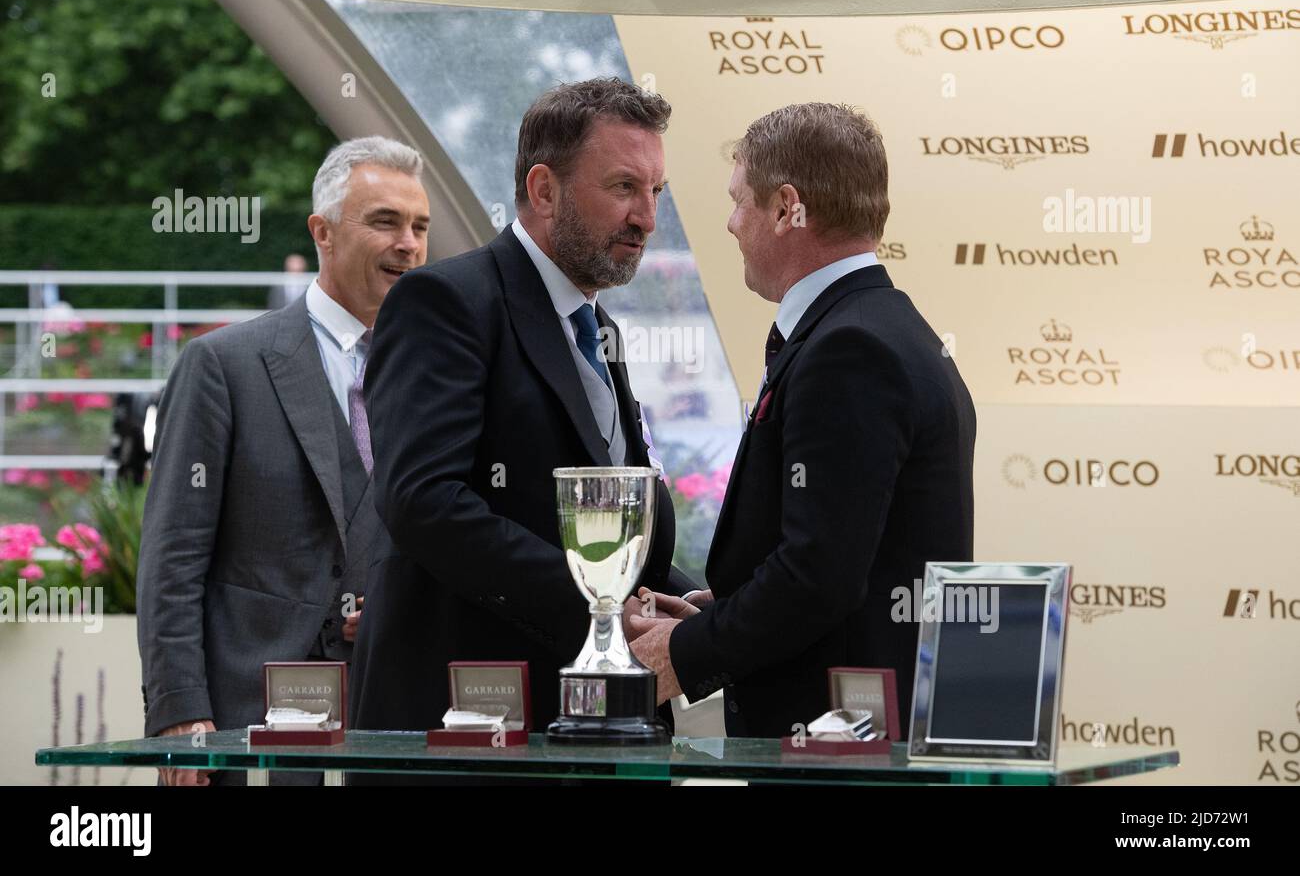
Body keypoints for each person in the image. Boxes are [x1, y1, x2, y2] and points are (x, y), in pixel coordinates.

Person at [350, 78, 697, 740]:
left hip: (593, 726)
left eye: (657, 192)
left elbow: (606, 516)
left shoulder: (597, 328)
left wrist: (691, 601)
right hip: (471, 736)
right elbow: (425, 501)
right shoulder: (444, 302)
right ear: (544, 190)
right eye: (625, 187)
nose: (647, 218)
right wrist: (602, 610)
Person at [629, 103, 976, 738]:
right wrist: (723, 610)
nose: (731, 225)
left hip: (834, 748)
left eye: (739, 201)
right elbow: (849, 555)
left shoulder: (851, 349)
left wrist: (681, 654)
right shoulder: (882, 329)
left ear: (789, 207)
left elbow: (819, 577)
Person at [136, 136, 429, 783]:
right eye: (385, 221)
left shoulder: (440, 377)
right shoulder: (222, 365)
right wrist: (180, 713)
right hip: (246, 734)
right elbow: (172, 555)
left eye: (419, 226)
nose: (409, 243)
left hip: (393, 733)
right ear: (321, 232)